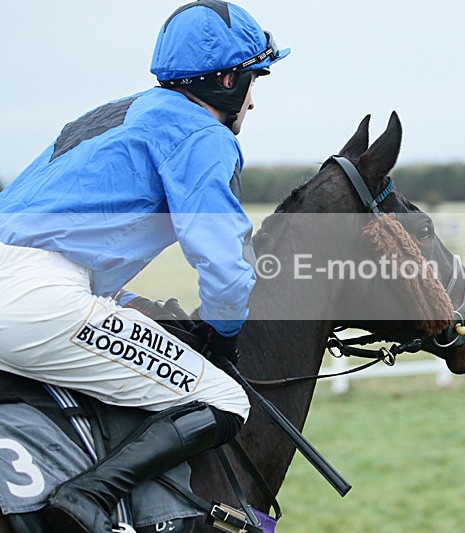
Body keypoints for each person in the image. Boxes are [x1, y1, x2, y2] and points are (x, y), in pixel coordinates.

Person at [0, 1, 289, 531]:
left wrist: (125, 303)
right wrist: (224, 336)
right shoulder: (204, 137)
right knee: (223, 397)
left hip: (28, 285)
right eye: (254, 80)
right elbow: (223, 264)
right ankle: (85, 499)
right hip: (34, 303)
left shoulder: (113, 114)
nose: (253, 101)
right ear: (227, 80)